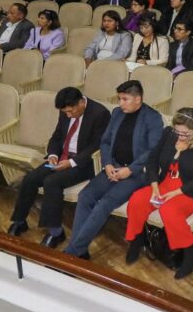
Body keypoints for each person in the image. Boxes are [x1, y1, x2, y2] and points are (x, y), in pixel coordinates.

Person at [63, 80, 163, 259]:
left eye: (125, 99)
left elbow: (153, 150)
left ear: (138, 99)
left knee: (104, 204)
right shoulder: (117, 113)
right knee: (85, 196)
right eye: (119, 99)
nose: (120, 103)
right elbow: (105, 141)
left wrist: (130, 170)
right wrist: (107, 163)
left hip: (136, 174)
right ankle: (79, 250)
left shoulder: (153, 118)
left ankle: (72, 252)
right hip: (113, 167)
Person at [7, 87, 110, 248]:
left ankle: (56, 232)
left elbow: (96, 146)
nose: (67, 115)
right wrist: (53, 154)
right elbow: (57, 136)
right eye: (65, 112)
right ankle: (19, 221)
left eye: (70, 112)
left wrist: (72, 162)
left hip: (85, 163)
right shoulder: (66, 111)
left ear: (81, 103)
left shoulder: (100, 114)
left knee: (52, 182)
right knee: (30, 178)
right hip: (62, 157)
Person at [123, 108, 193, 278]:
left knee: (169, 210)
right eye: (177, 131)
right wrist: (154, 185)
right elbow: (152, 160)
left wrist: (177, 192)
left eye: (185, 133)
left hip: (189, 190)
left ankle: (190, 250)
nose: (180, 136)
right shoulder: (169, 133)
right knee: (137, 200)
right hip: (164, 184)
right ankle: (137, 240)